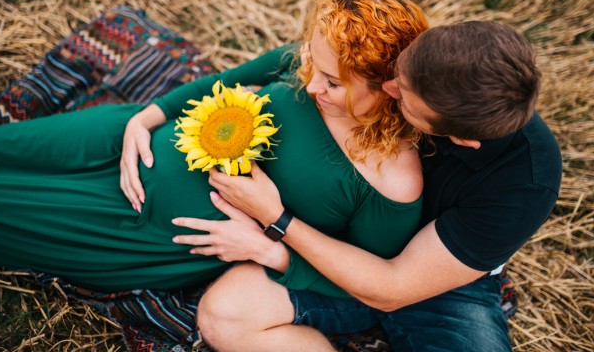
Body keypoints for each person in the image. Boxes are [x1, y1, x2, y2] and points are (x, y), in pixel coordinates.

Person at [0, 0, 429, 299]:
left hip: (139, 228)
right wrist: (146, 118)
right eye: (311, 64)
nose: (310, 86)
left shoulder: (392, 180)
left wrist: (272, 245)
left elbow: (366, 285)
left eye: (332, 82)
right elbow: (221, 82)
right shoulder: (314, 62)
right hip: (131, 140)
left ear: (388, 88)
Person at [171, 21, 562, 351]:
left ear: (459, 139)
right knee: (224, 315)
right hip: (341, 235)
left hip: (428, 281)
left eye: (404, 98)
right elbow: (315, 56)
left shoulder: (523, 185)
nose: (387, 88)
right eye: (397, 75)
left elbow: (393, 287)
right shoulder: (431, 62)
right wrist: (158, 111)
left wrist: (276, 222)